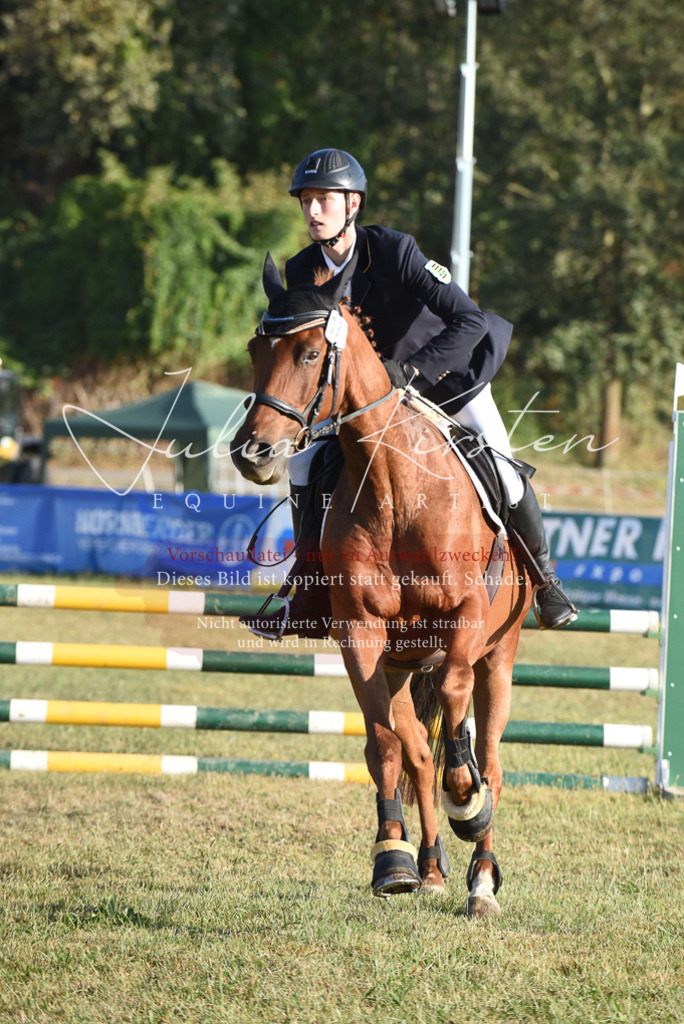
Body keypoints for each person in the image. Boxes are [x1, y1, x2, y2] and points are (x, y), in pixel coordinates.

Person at [244, 147, 577, 637]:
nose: (313, 211)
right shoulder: (301, 272)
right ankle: (311, 587)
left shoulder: (395, 251)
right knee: (301, 464)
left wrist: (413, 372)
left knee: (504, 473)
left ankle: (546, 583)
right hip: (362, 406)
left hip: (444, 382)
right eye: (306, 201)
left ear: (352, 204)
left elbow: (470, 319)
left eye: (323, 200)